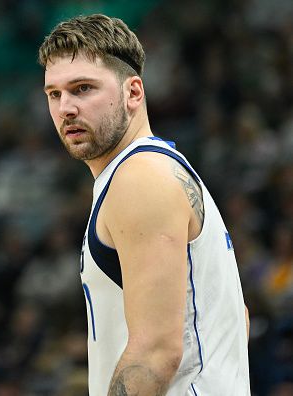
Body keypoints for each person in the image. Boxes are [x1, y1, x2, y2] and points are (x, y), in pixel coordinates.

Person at [38, 14, 250, 395]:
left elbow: (155, 353)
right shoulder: (157, 171)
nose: (65, 107)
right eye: (54, 94)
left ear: (133, 92)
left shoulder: (139, 178)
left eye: (82, 88)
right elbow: (237, 320)